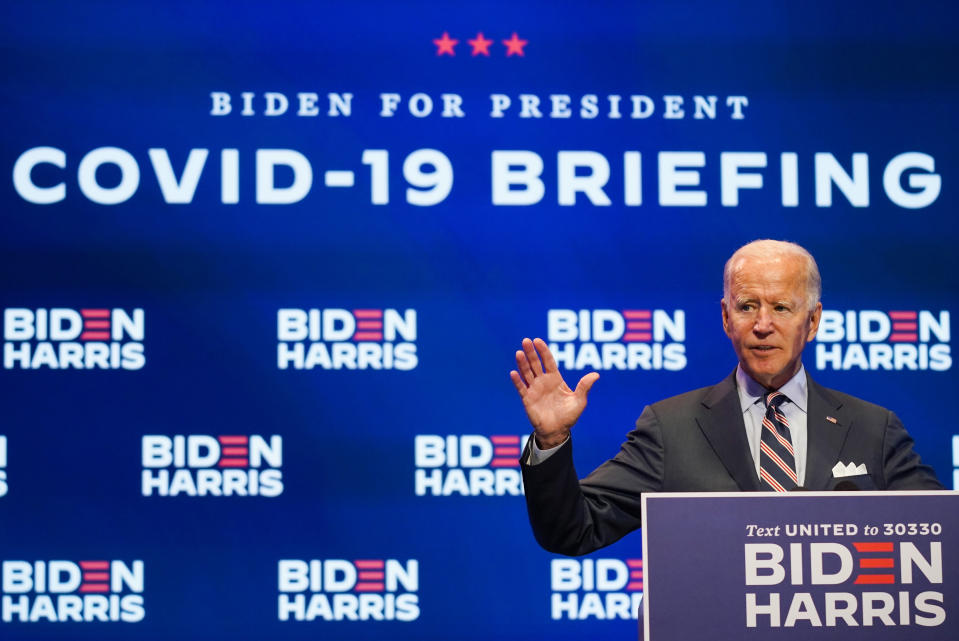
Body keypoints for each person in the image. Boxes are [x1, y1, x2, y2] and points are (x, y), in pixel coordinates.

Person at [510, 240, 943, 556]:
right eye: (748, 306)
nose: (762, 324)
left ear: (812, 322)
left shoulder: (872, 428)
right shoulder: (672, 428)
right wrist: (552, 441)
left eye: (782, 308)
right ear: (725, 317)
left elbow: (939, 540)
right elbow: (572, 531)